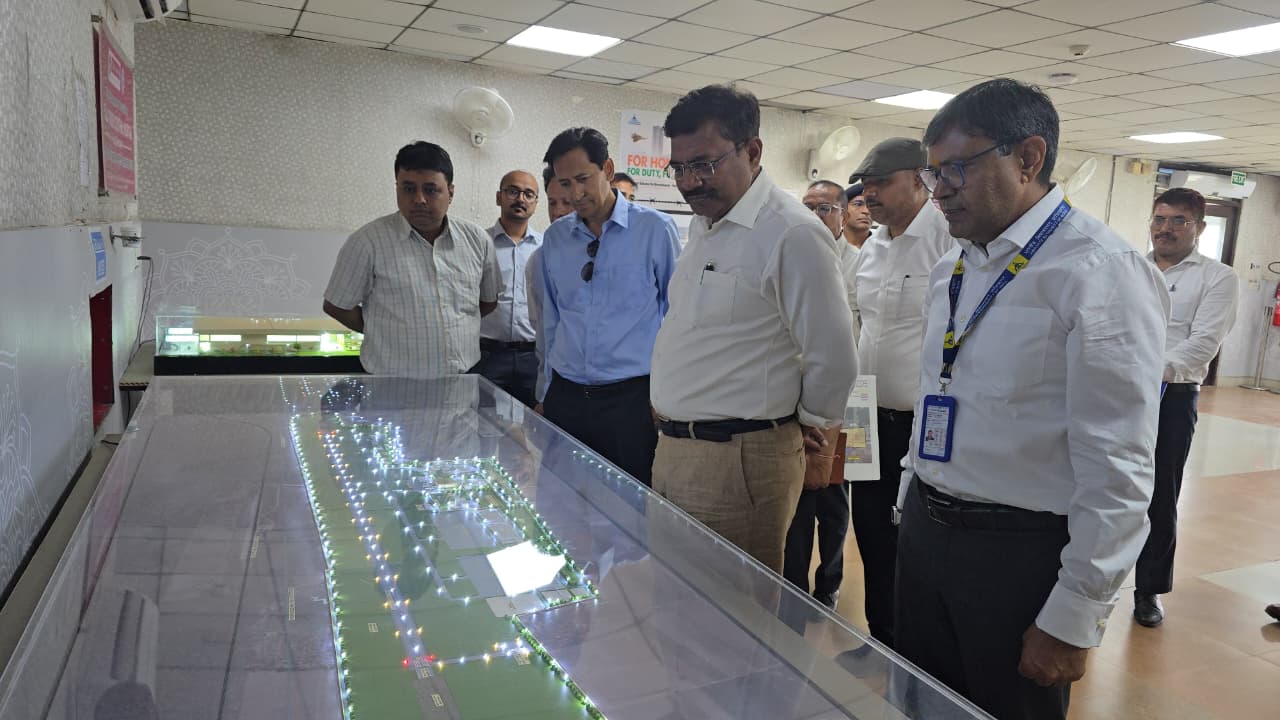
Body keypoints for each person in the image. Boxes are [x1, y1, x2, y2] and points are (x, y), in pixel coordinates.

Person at [900, 79, 1168, 719]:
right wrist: (910, 503)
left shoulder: (1100, 272)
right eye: (933, 173)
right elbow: (938, 394)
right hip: (926, 535)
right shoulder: (954, 267)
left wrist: (1077, 612)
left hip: (1018, 556)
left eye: (957, 169)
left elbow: (1119, 462)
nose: (939, 191)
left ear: (1028, 157)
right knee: (918, 705)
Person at [650, 85, 857, 574]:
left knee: (729, 607)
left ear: (753, 151)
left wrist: (806, 428)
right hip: (676, 449)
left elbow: (834, 358)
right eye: (679, 168)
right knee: (675, 597)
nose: (689, 182)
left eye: (704, 164)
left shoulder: (792, 233)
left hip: (738, 459)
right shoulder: (706, 224)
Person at [845, 137, 955, 649]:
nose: (869, 196)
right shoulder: (873, 246)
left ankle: (915, 649)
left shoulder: (947, 240)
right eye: (865, 187)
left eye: (881, 184)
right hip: (863, 412)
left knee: (915, 534)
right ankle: (881, 639)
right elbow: (858, 320)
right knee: (869, 528)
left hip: (918, 419)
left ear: (919, 180)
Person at [540, 127, 680, 486]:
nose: (575, 194)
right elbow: (551, 320)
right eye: (565, 183)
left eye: (583, 179)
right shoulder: (555, 239)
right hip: (566, 396)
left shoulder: (654, 230)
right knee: (557, 502)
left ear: (607, 169)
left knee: (631, 504)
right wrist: (545, 391)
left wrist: (664, 396)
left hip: (630, 401)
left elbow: (676, 317)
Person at [1133, 187, 1239, 628]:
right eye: (1160, 219)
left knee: (1160, 494)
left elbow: (1202, 344)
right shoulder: (1131, 267)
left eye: (1179, 220)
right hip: (1117, 393)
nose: (1166, 228)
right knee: (1095, 484)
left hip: (1171, 397)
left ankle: (1148, 590)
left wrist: (1139, 370)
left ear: (1200, 227)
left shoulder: (1218, 278)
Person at [323, 141, 500, 378]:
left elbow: (488, 301)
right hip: (392, 383)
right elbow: (337, 305)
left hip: (462, 381)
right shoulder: (367, 242)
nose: (419, 199)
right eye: (408, 189)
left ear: (450, 192)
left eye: (430, 189)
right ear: (397, 188)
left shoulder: (477, 240)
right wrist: (381, 330)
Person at [783, 178, 857, 607]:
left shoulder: (859, 263)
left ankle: (828, 582)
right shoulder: (795, 256)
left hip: (850, 402)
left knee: (834, 499)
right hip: (799, 398)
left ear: (843, 214)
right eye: (808, 207)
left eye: (825, 208)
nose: (814, 215)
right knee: (799, 497)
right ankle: (794, 590)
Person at [474, 170, 543, 407]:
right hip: (488, 355)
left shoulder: (545, 247)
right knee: (480, 420)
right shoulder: (479, 243)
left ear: (536, 203)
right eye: (513, 191)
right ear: (499, 197)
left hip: (533, 356)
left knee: (536, 423)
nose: (520, 199)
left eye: (528, 194)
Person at [527, 165, 574, 412]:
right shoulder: (539, 259)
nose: (558, 212)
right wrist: (545, 394)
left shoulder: (611, 254)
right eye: (552, 203)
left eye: (567, 202)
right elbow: (544, 334)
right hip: (559, 390)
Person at [843, 182, 872, 250]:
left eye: (871, 205)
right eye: (858, 204)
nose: (866, 211)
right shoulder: (830, 243)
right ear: (843, 209)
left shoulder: (884, 246)